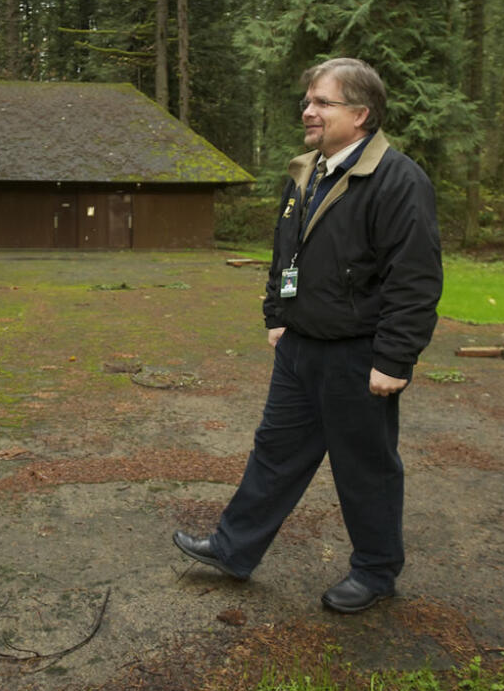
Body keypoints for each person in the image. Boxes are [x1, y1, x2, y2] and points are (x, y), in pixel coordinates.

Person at [173, 57, 443, 613]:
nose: (309, 110)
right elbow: (285, 252)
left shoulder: (397, 179)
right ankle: (233, 548)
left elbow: (414, 279)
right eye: (309, 101)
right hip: (299, 350)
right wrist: (277, 314)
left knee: (364, 468)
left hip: (357, 355)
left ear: (361, 113)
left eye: (322, 102)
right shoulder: (307, 172)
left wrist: (394, 359)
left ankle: (374, 572)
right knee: (274, 453)